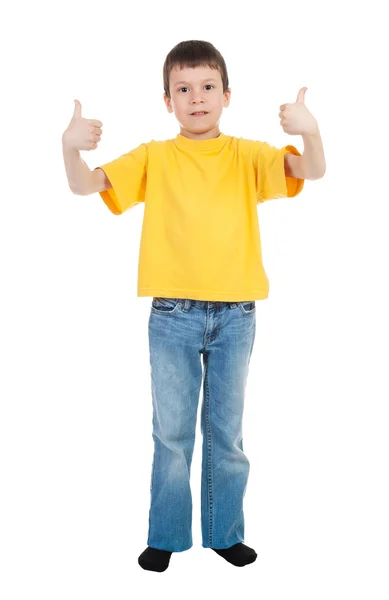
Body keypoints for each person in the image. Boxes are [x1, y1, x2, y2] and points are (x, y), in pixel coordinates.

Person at [62, 39, 326, 573]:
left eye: (207, 87)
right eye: (183, 89)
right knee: (172, 433)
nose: (196, 97)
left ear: (226, 96)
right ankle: (166, 535)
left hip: (236, 315)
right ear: (168, 101)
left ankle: (225, 533)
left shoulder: (248, 155)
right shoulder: (154, 157)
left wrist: (310, 131)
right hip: (173, 317)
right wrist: (70, 147)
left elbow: (312, 171)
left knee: (227, 435)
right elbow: (86, 185)